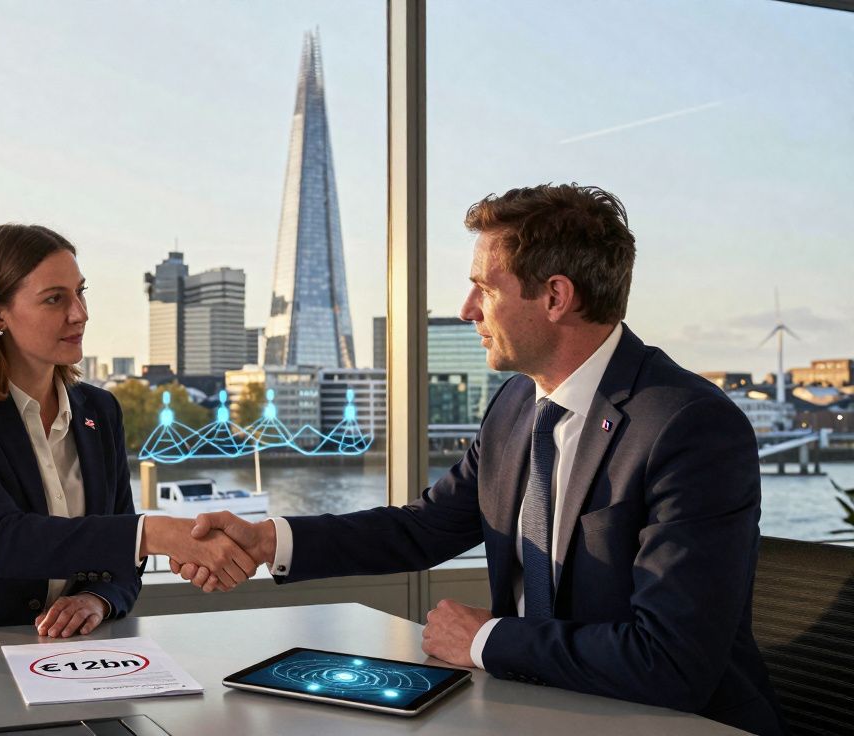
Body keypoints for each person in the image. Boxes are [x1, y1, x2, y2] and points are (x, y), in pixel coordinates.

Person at [176, 185, 784, 734]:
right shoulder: (518, 404)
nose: (468, 309)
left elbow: (670, 663)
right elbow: (421, 528)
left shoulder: (688, 426)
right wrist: (265, 541)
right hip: (531, 712)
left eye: (485, 288)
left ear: (555, 296)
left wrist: (489, 639)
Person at [0, 223, 255, 638]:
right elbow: (2, 541)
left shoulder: (101, 411)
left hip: (71, 655)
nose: (80, 314)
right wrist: (153, 533)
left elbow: (121, 562)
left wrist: (97, 600)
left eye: (81, 293)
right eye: (54, 299)